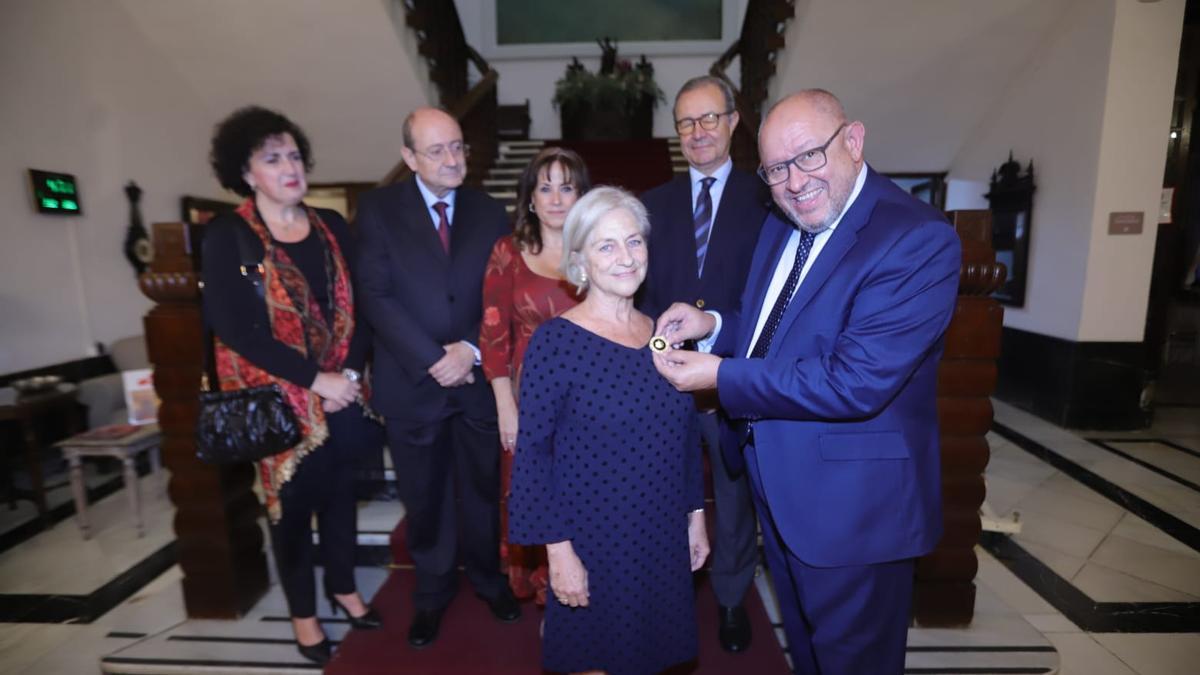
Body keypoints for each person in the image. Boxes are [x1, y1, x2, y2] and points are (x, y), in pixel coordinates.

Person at [652, 89, 962, 674]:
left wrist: (719, 375)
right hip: (784, 490)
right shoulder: (784, 222)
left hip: (854, 512)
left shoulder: (914, 238)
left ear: (853, 140)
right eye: (775, 170)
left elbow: (855, 380)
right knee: (810, 652)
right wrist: (714, 325)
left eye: (809, 157)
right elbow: (775, 331)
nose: (794, 182)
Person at [202, 105, 381, 665]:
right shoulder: (231, 237)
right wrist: (317, 379)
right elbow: (237, 328)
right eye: (273, 158)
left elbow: (361, 304)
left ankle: (345, 588)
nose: (289, 167)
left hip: (345, 392)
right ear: (247, 172)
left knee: (342, 499)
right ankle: (304, 616)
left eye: (295, 156)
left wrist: (348, 374)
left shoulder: (331, 225)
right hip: (281, 399)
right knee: (292, 511)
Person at [508, 187, 710, 675]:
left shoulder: (660, 333)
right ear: (579, 260)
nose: (626, 257)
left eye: (634, 242)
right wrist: (558, 554)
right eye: (606, 246)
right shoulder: (555, 342)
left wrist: (696, 516)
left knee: (655, 657)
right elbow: (534, 456)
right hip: (593, 539)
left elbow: (683, 436)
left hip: (660, 532)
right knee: (597, 661)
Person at [354, 107, 519, 648]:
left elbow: (502, 293)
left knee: (481, 490)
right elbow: (375, 297)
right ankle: (431, 593)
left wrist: (470, 348)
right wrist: (432, 357)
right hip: (412, 383)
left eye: (457, 147)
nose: (452, 160)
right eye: (437, 150)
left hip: (476, 382)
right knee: (424, 499)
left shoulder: (490, 210)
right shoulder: (377, 210)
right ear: (408, 158)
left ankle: (490, 580)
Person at [638, 75, 768, 653]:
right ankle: (671, 590)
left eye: (710, 118)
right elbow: (638, 295)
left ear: (734, 122)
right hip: (663, 385)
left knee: (735, 495)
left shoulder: (767, 200)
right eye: (687, 122)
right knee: (665, 491)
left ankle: (733, 596)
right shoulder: (653, 205)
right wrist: (660, 355)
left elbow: (769, 294)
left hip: (732, 378)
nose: (699, 132)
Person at [480, 147, 591, 604]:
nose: (556, 198)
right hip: (529, 400)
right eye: (545, 187)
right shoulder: (507, 251)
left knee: (586, 492)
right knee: (536, 491)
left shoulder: (600, 245)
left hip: (590, 397)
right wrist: (506, 406)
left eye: (566, 187)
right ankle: (546, 588)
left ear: (582, 194)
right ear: (530, 198)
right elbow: (492, 332)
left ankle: (585, 581)